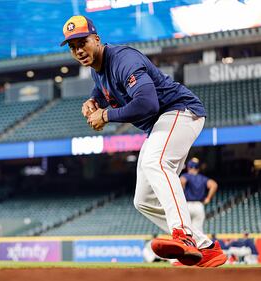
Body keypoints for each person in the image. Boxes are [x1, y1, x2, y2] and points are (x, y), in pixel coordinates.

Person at [60, 15, 227, 267]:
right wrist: (92, 102)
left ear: (96, 39)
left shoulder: (123, 59)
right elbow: (102, 91)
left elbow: (147, 103)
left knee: (156, 162)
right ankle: (206, 249)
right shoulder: (99, 71)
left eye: (82, 42)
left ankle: (184, 236)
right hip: (162, 124)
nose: (79, 50)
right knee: (143, 200)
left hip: (180, 111)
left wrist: (105, 114)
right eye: (73, 47)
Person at [180, 157, 218, 233]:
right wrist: (208, 198)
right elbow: (214, 185)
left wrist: (181, 193)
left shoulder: (186, 176)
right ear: (198, 168)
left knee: (185, 231)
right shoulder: (202, 178)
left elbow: (181, 181)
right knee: (198, 232)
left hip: (186, 205)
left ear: (188, 167)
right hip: (199, 205)